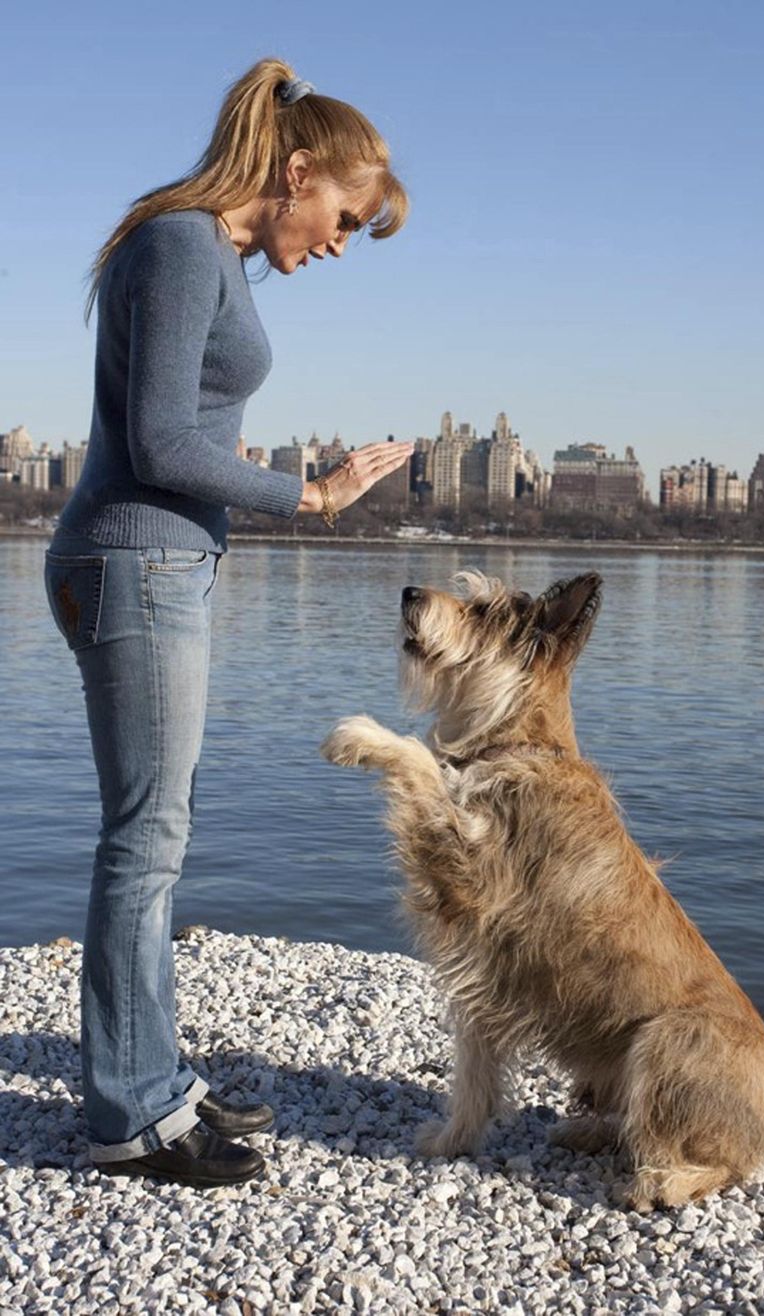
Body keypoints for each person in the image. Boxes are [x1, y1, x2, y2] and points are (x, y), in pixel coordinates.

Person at [43, 57, 412, 1188]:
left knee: (160, 833)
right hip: (134, 561)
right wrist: (309, 492)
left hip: (161, 563)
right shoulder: (183, 243)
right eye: (343, 218)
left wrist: (256, 478)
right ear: (296, 172)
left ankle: (153, 1075)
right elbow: (157, 444)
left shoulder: (212, 255)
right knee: (144, 841)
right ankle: (129, 1113)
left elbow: (180, 433)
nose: (340, 244)